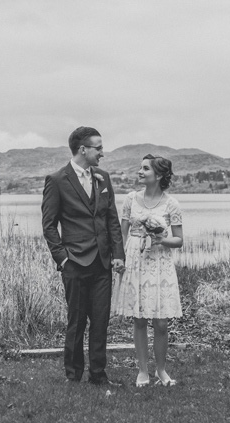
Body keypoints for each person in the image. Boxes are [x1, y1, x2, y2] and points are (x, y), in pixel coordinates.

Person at [41, 126, 125, 385]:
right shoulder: (57, 180)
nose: (102, 153)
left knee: (100, 322)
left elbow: (112, 219)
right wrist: (62, 258)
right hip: (74, 263)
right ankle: (73, 374)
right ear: (83, 149)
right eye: (98, 148)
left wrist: (118, 254)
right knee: (76, 322)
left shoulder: (103, 177)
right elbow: (49, 224)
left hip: (102, 262)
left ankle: (98, 375)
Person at [112, 154, 183, 387]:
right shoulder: (131, 199)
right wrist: (118, 258)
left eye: (145, 169)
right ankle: (142, 370)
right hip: (135, 259)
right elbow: (121, 234)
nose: (139, 172)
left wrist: (161, 238)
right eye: (140, 168)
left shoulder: (171, 204)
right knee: (139, 318)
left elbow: (179, 240)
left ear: (159, 175)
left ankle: (161, 370)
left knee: (161, 322)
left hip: (159, 262)